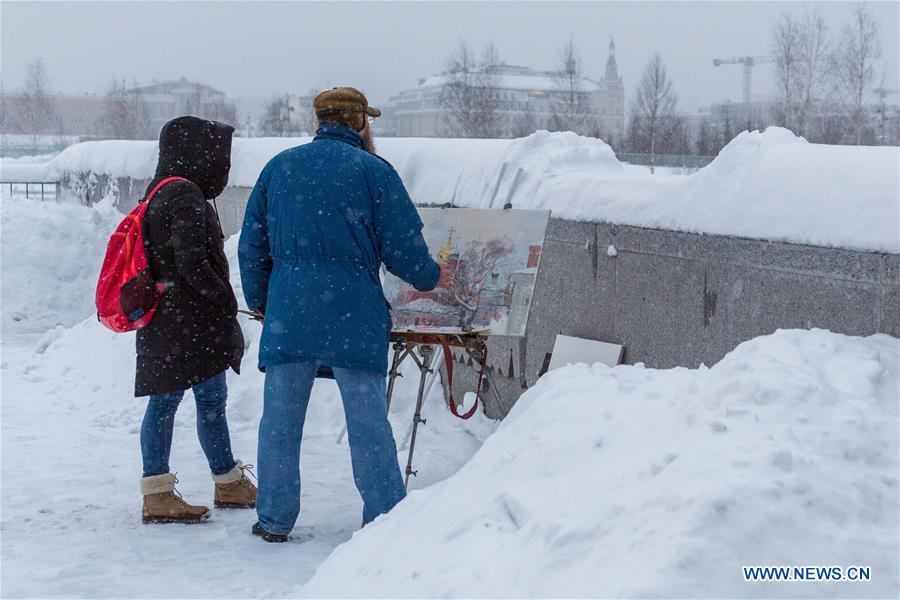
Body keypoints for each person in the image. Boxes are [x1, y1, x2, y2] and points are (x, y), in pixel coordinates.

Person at [239, 87, 440, 542]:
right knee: (367, 422)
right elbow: (404, 248)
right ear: (360, 123)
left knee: (280, 423)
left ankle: (274, 518)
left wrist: (264, 303)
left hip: (290, 313)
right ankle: (385, 514)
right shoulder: (373, 171)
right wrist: (431, 275)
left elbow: (251, 245)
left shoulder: (279, 168)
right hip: (353, 314)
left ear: (321, 120)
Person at [137, 116, 257, 524]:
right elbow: (192, 262)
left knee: (192, 400)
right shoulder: (185, 194)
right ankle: (169, 492)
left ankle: (221, 482)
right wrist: (225, 299)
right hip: (189, 323)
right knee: (183, 402)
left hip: (168, 318)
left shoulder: (160, 189)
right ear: (198, 153)